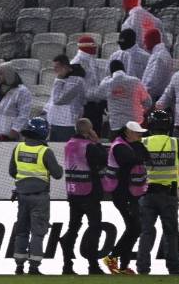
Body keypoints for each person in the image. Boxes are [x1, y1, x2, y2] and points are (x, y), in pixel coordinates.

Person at [8, 117, 62, 275]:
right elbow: (57, 174)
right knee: (38, 232)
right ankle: (34, 267)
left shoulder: (18, 148)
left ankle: (19, 266)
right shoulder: (45, 151)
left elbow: (12, 172)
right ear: (44, 132)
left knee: (22, 230)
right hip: (40, 198)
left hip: (22, 196)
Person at [137, 109, 179, 275]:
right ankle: (174, 269)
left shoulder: (142, 143)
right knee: (171, 233)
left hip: (146, 195)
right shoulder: (176, 143)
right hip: (169, 195)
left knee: (146, 232)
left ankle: (142, 268)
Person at [59, 117, 107, 276]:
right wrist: (98, 142)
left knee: (73, 227)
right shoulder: (89, 147)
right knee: (95, 227)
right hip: (89, 193)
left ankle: (67, 265)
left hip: (73, 193)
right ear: (88, 131)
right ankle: (93, 265)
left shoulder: (69, 144)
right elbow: (104, 159)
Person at [101, 121, 149, 275]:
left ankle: (122, 266)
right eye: (137, 133)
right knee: (135, 228)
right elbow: (132, 160)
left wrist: (139, 153)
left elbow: (144, 157)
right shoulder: (119, 146)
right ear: (127, 133)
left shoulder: (131, 145)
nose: (140, 136)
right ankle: (113, 258)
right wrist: (139, 153)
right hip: (122, 194)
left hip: (131, 194)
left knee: (133, 229)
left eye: (141, 133)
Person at [99, 59, 153, 135]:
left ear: (110, 72)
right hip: (135, 125)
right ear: (124, 69)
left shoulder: (106, 84)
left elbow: (99, 95)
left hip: (116, 126)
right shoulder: (135, 82)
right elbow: (148, 102)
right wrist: (141, 111)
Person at [44, 54, 87, 141]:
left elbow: (58, 100)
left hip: (65, 123)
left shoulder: (76, 81)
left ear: (65, 67)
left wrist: (59, 79)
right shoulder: (62, 79)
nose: (54, 70)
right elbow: (52, 99)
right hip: (53, 121)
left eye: (57, 67)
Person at [73, 34, 109, 135]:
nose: (95, 49)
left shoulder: (91, 59)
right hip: (86, 105)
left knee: (96, 131)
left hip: (95, 103)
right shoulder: (77, 63)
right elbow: (81, 88)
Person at [142, 28, 173, 102]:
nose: (144, 43)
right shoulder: (163, 53)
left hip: (155, 99)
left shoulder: (157, 57)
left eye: (145, 40)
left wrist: (141, 96)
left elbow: (152, 83)